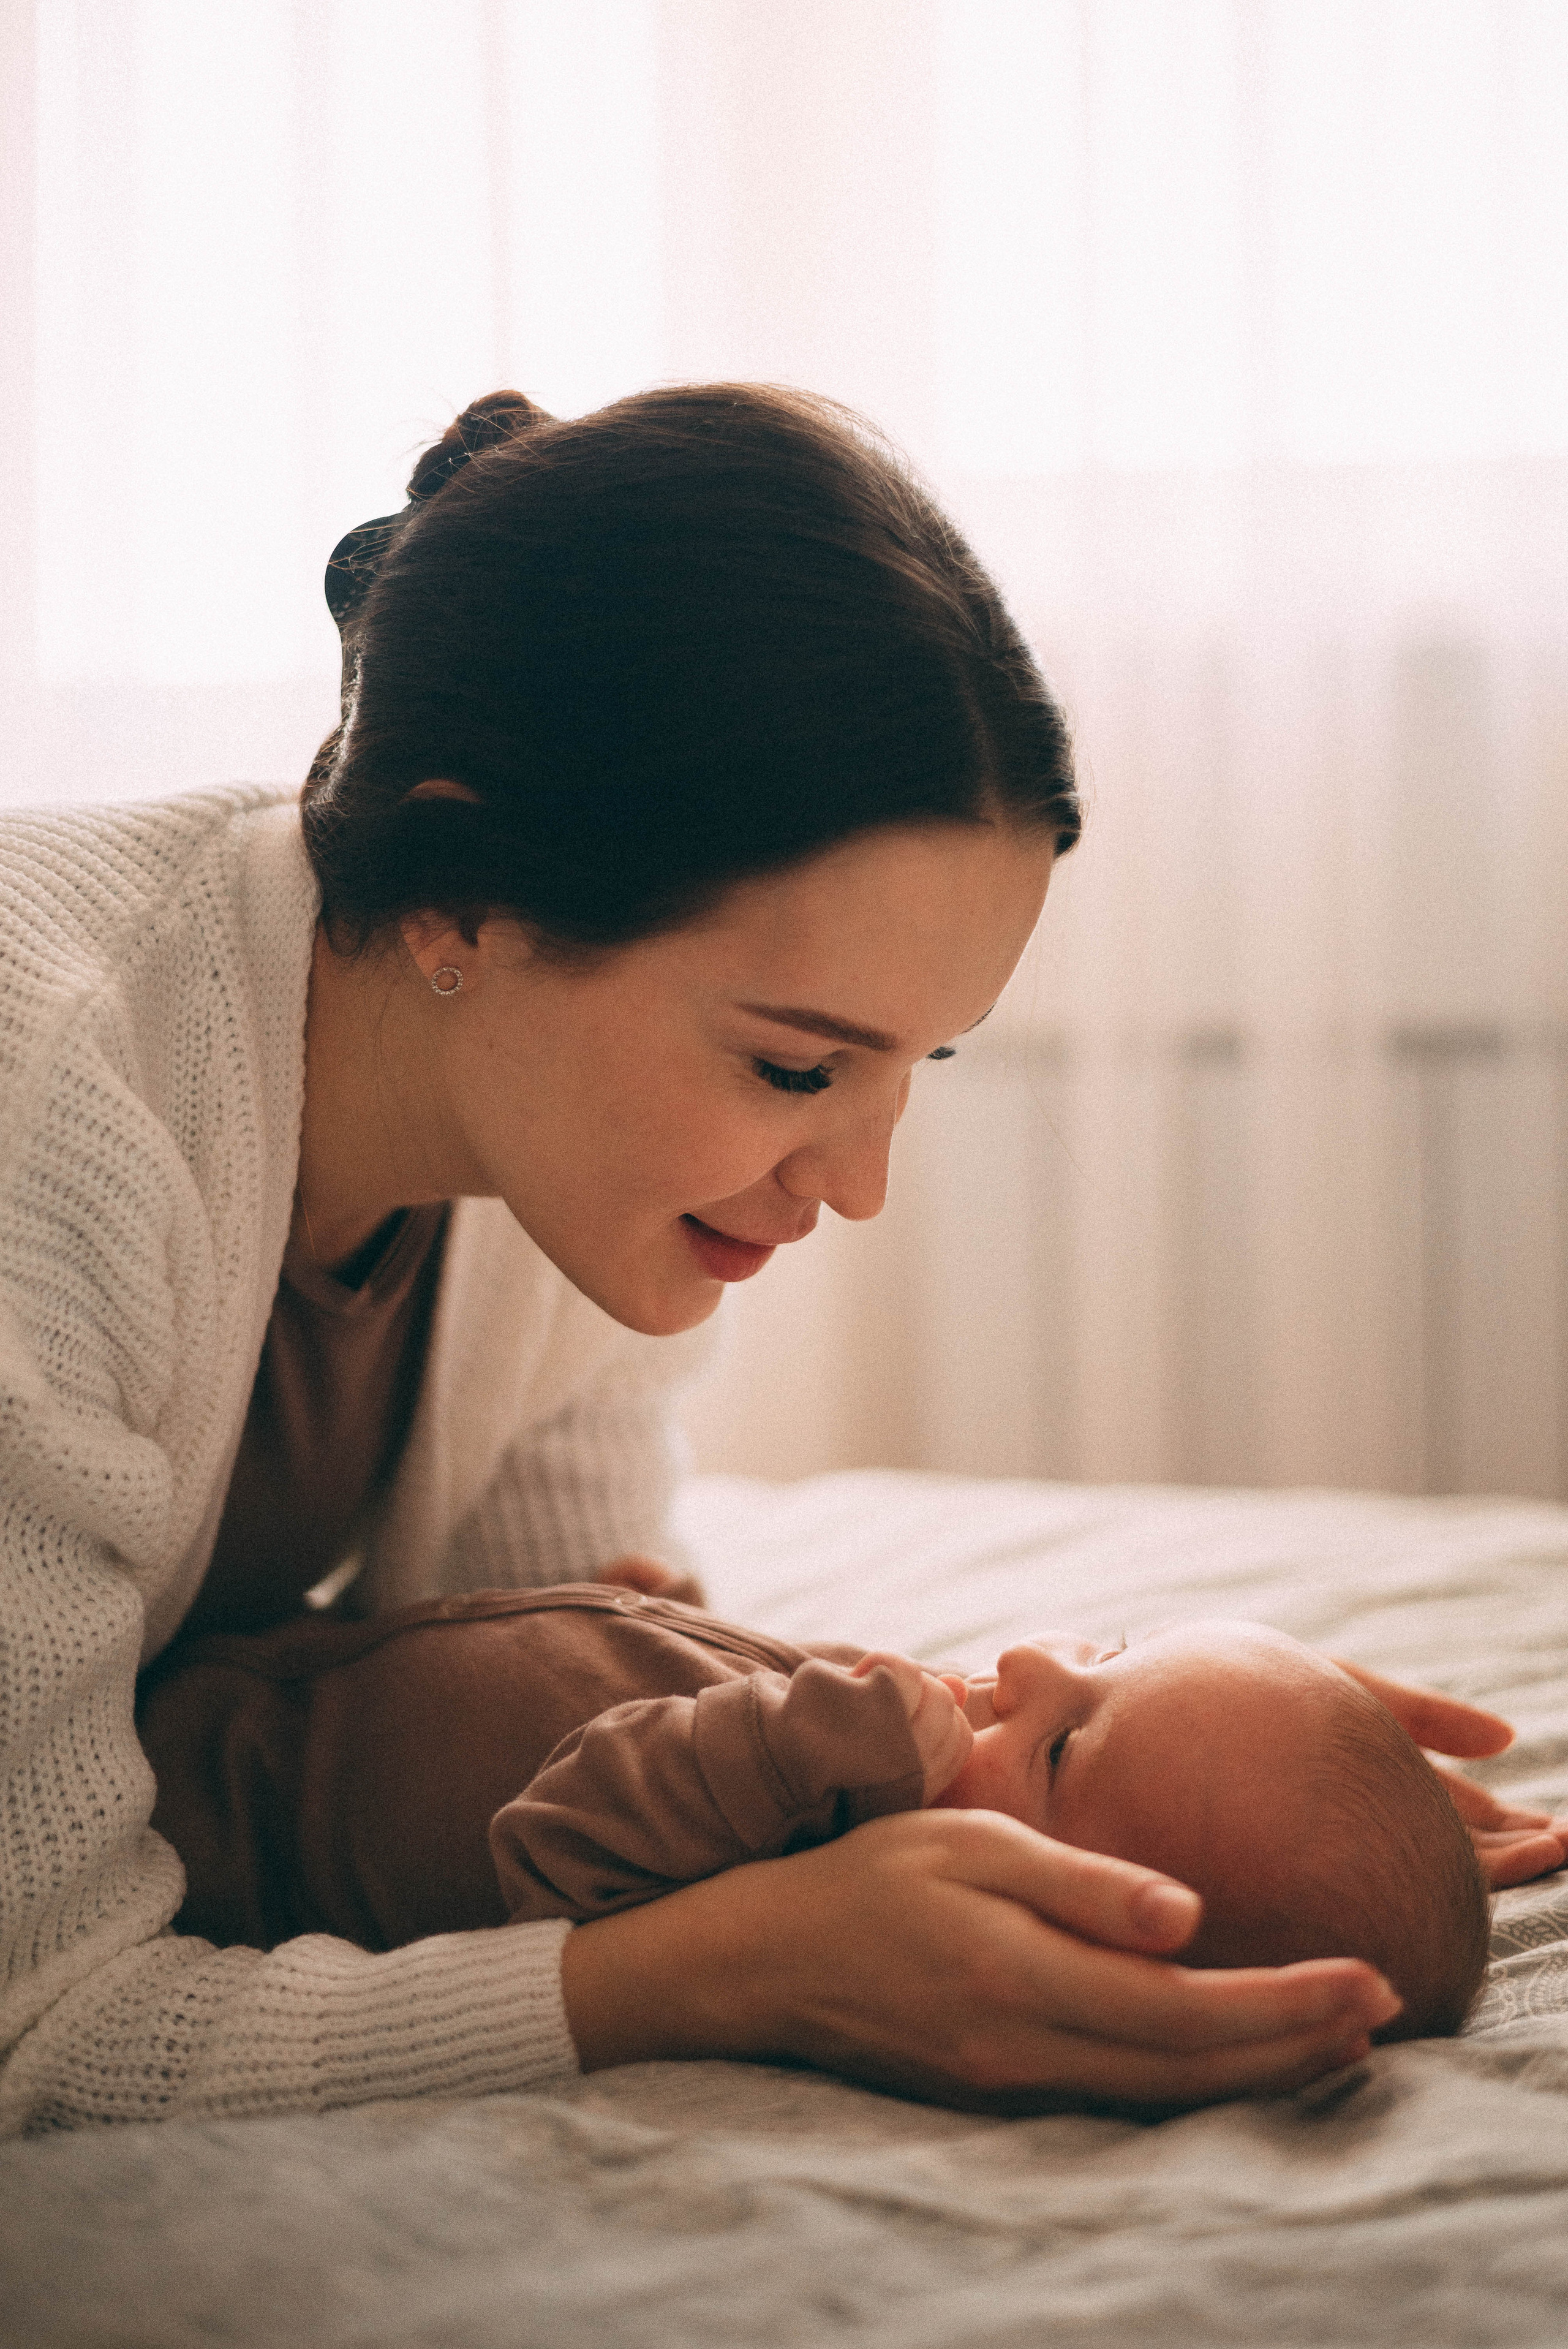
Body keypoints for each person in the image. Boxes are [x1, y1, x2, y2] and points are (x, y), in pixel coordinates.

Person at [0, 383, 1558, 2136]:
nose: (858, 1185)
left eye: (917, 1065)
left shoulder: (568, 1173)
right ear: (457, 899)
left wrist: (1207, 1787)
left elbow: (517, 1693)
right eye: (799, 1069)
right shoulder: (46, 1113)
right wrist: (740, 1970)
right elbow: (38, 2023)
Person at [138, 1586, 1489, 2041]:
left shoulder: (804, 1850)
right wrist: (626, 1612)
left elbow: (552, 1839)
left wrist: (789, 1738)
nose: (1026, 1661)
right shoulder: (886, 1772)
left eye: (1066, 1743)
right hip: (260, 1651)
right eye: (1114, 1649)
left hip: (189, 1793)